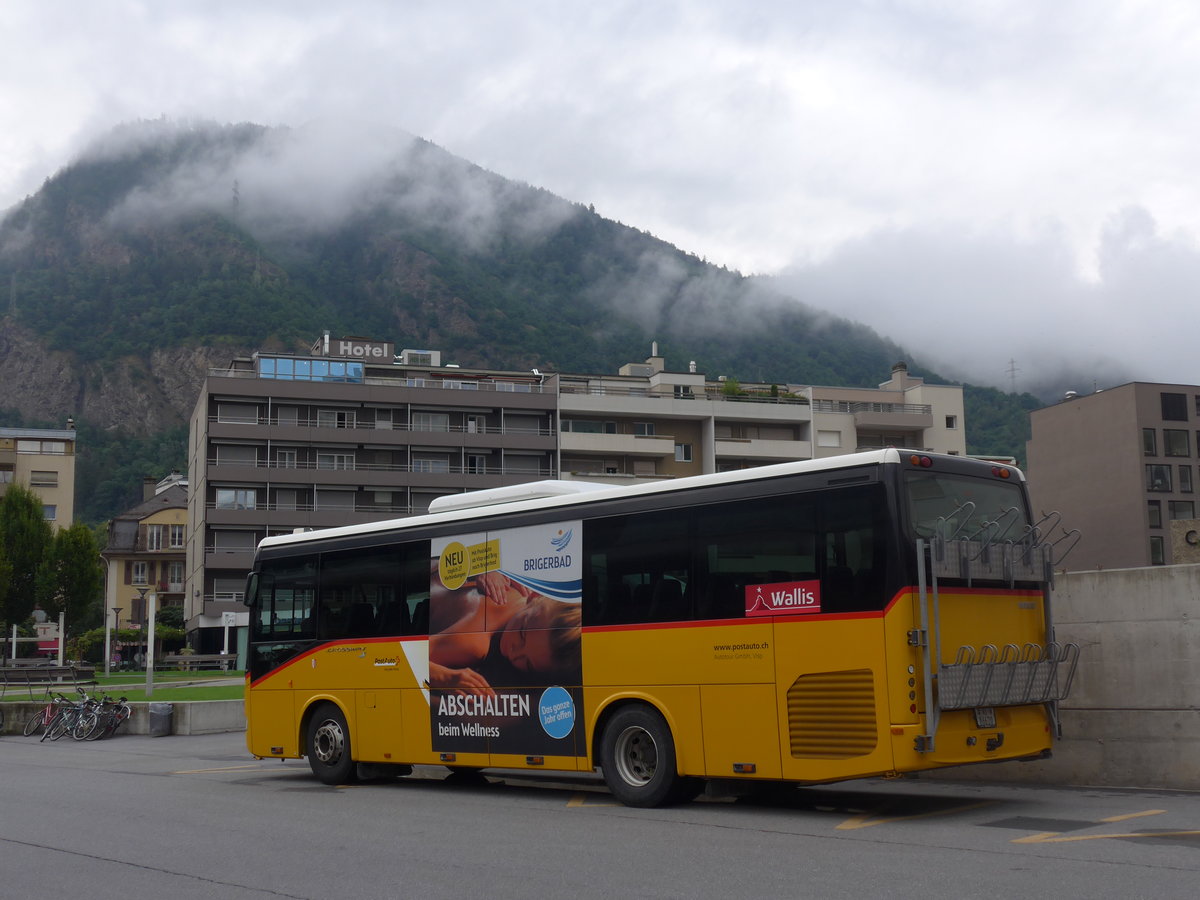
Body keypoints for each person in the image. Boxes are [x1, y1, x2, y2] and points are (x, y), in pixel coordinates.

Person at [428, 571, 580, 695]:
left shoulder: (517, 579)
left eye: (527, 663)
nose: (514, 652)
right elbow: (406, 659)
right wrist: (443, 677)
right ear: (535, 596)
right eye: (522, 633)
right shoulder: (474, 644)